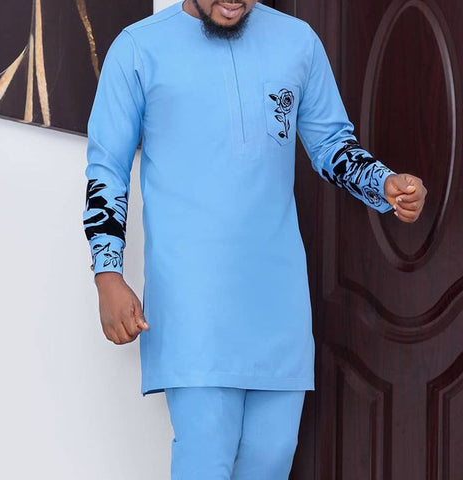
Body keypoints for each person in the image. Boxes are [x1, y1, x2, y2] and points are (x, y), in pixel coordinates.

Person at [82, 1, 427, 478]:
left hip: (278, 299)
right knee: (206, 459)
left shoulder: (298, 42)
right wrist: (107, 272)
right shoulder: (139, 49)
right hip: (192, 300)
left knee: (272, 459)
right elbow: (107, 169)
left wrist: (383, 184)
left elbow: (331, 144)